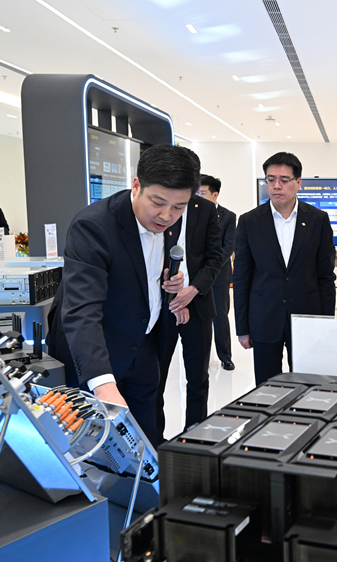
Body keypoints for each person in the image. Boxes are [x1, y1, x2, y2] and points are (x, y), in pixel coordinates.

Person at [47, 144, 199, 446]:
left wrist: (171, 285)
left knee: (143, 441)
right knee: (91, 449)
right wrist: (103, 384)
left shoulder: (170, 219)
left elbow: (142, 272)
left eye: (179, 207)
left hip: (144, 349)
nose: (167, 215)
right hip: (95, 353)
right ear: (136, 185)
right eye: (158, 202)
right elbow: (81, 310)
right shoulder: (93, 226)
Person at [233, 152, 336, 385]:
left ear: (298, 182)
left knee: (307, 385)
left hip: (307, 318)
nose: (276, 186)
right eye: (270, 180)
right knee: (267, 388)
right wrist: (242, 327)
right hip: (264, 318)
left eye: (284, 180)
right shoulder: (249, 221)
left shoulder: (318, 220)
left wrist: (326, 324)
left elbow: (326, 276)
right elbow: (241, 277)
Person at [156, 180, 222, 443]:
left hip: (198, 304)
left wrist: (192, 290)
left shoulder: (205, 209)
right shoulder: (158, 205)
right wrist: (173, 299)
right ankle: (154, 440)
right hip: (161, 308)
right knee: (155, 379)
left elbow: (215, 258)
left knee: (198, 379)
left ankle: (195, 439)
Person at [196, 175, 237, 371]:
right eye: (196, 192)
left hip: (219, 275)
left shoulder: (228, 216)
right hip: (196, 274)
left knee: (220, 316)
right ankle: (201, 359)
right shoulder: (191, 213)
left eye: (203, 193)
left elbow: (228, 247)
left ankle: (225, 356)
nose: (198, 196)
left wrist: (211, 267)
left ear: (215, 195)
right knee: (199, 318)